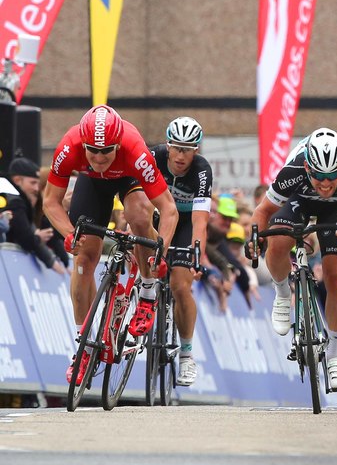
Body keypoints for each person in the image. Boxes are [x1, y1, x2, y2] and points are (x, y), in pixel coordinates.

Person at [42, 105, 178, 385]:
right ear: (83, 143)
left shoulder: (135, 151)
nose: (99, 157)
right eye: (92, 150)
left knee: (138, 215)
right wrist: (69, 234)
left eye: (106, 151)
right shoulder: (69, 147)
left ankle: (148, 292)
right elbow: (50, 202)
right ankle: (83, 346)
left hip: (129, 179)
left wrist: (160, 251)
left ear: (118, 144)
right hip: (92, 185)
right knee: (83, 259)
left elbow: (168, 209)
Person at [250, 127, 337, 391]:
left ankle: (334, 357)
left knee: (336, 273)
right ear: (308, 167)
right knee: (278, 242)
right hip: (299, 201)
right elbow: (263, 211)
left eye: (332, 176)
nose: (326, 184)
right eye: (319, 176)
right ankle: (283, 293)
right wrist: (254, 239)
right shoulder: (293, 170)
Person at [149, 116, 213, 386]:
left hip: (186, 223)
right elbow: (134, 198)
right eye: (176, 147)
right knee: (138, 255)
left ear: (196, 150)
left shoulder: (201, 171)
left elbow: (200, 221)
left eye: (187, 149)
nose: (180, 155)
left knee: (180, 285)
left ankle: (186, 355)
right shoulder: (153, 156)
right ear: (168, 145)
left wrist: (196, 255)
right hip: (157, 215)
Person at [0, 157, 66, 274]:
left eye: (37, 183)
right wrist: (37, 237)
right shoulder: (16, 202)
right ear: (17, 180)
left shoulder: (17, 200)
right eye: (33, 183)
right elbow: (25, 237)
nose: (36, 188)